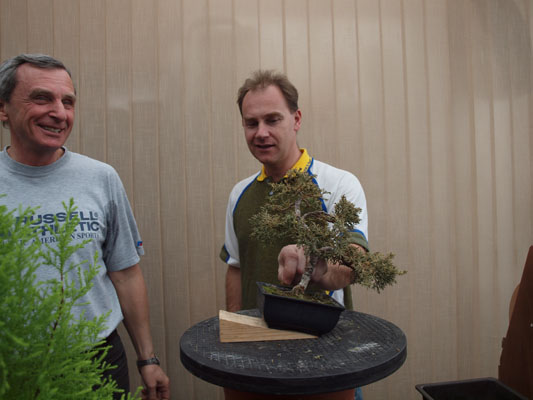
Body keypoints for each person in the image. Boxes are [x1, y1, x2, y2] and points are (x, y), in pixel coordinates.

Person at [0, 54, 170, 400]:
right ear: (3, 109)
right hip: (15, 365)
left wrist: (148, 358)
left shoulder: (101, 178)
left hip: (98, 359)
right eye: (41, 98)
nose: (59, 113)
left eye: (68, 102)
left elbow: (125, 274)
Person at [220, 69, 369, 313]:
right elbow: (236, 267)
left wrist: (318, 266)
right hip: (255, 335)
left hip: (322, 334)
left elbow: (354, 258)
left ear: (296, 119)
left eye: (272, 120)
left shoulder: (339, 184)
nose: (261, 133)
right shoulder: (239, 195)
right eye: (252, 123)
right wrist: (234, 324)